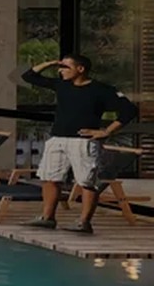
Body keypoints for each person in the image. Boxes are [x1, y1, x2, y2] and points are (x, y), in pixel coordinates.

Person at [19, 54, 139, 233]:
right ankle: (47, 217)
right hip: (58, 138)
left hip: (83, 141)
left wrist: (106, 131)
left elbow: (129, 110)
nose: (60, 71)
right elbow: (28, 76)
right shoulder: (62, 85)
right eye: (60, 67)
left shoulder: (101, 89)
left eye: (65, 67)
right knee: (50, 178)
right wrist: (53, 63)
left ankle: (84, 222)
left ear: (80, 69)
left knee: (86, 181)